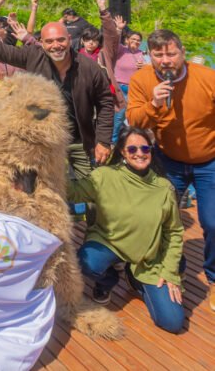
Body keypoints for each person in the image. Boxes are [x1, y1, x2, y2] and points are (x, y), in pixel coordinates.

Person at [0, 7, 114, 181]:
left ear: (69, 40)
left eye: (61, 40)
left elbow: (105, 102)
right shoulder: (33, 56)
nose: (56, 46)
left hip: (80, 141)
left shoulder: (89, 67)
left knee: (90, 188)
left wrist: (103, 141)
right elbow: (2, 51)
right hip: (44, 143)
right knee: (46, 190)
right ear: (42, 43)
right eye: (50, 41)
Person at [125, 29, 215, 310]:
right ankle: (169, 267)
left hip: (209, 161)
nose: (165, 60)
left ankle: (213, 278)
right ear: (149, 55)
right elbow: (134, 121)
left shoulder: (206, 77)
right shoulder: (142, 79)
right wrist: (153, 103)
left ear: (182, 52)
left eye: (171, 53)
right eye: (158, 54)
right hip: (168, 160)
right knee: (161, 218)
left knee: (212, 222)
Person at [69, 127, 185, 333]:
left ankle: (135, 278)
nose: (139, 153)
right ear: (122, 152)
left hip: (148, 258)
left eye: (144, 148)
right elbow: (74, 192)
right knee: (85, 262)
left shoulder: (163, 188)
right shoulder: (104, 176)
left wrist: (169, 272)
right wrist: (47, 167)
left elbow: (174, 232)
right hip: (109, 241)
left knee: (172, 322)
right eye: (132, 148)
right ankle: (109, 279)